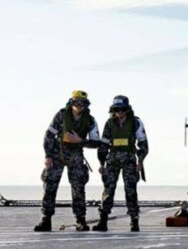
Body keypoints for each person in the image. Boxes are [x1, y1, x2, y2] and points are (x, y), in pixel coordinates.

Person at [34, 90, 101, 232]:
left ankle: (80, 220)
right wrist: (48, 156)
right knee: (50, 186)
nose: (79, 105)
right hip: (57, 154)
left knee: (78, 188)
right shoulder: (61, 115)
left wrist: (80, 141)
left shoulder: (90, 120)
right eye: (76, 102)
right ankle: (46, 219)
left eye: (82, 103)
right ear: (71, 102)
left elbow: (96, 143)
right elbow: (49, 135)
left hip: (76, 155)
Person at [94, 95, 149, 233]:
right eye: (117, 109)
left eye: (123, 109)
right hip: (112, 160)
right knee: (108, 189)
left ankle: (134, 221)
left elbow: (143, 144)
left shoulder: (136, 122)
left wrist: (140, 161)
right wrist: (101, 163)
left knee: (130, 190)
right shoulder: (109, 123)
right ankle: (103, 220)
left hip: (129, 160)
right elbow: (104, 144)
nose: (120, 112)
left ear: (127, 109)